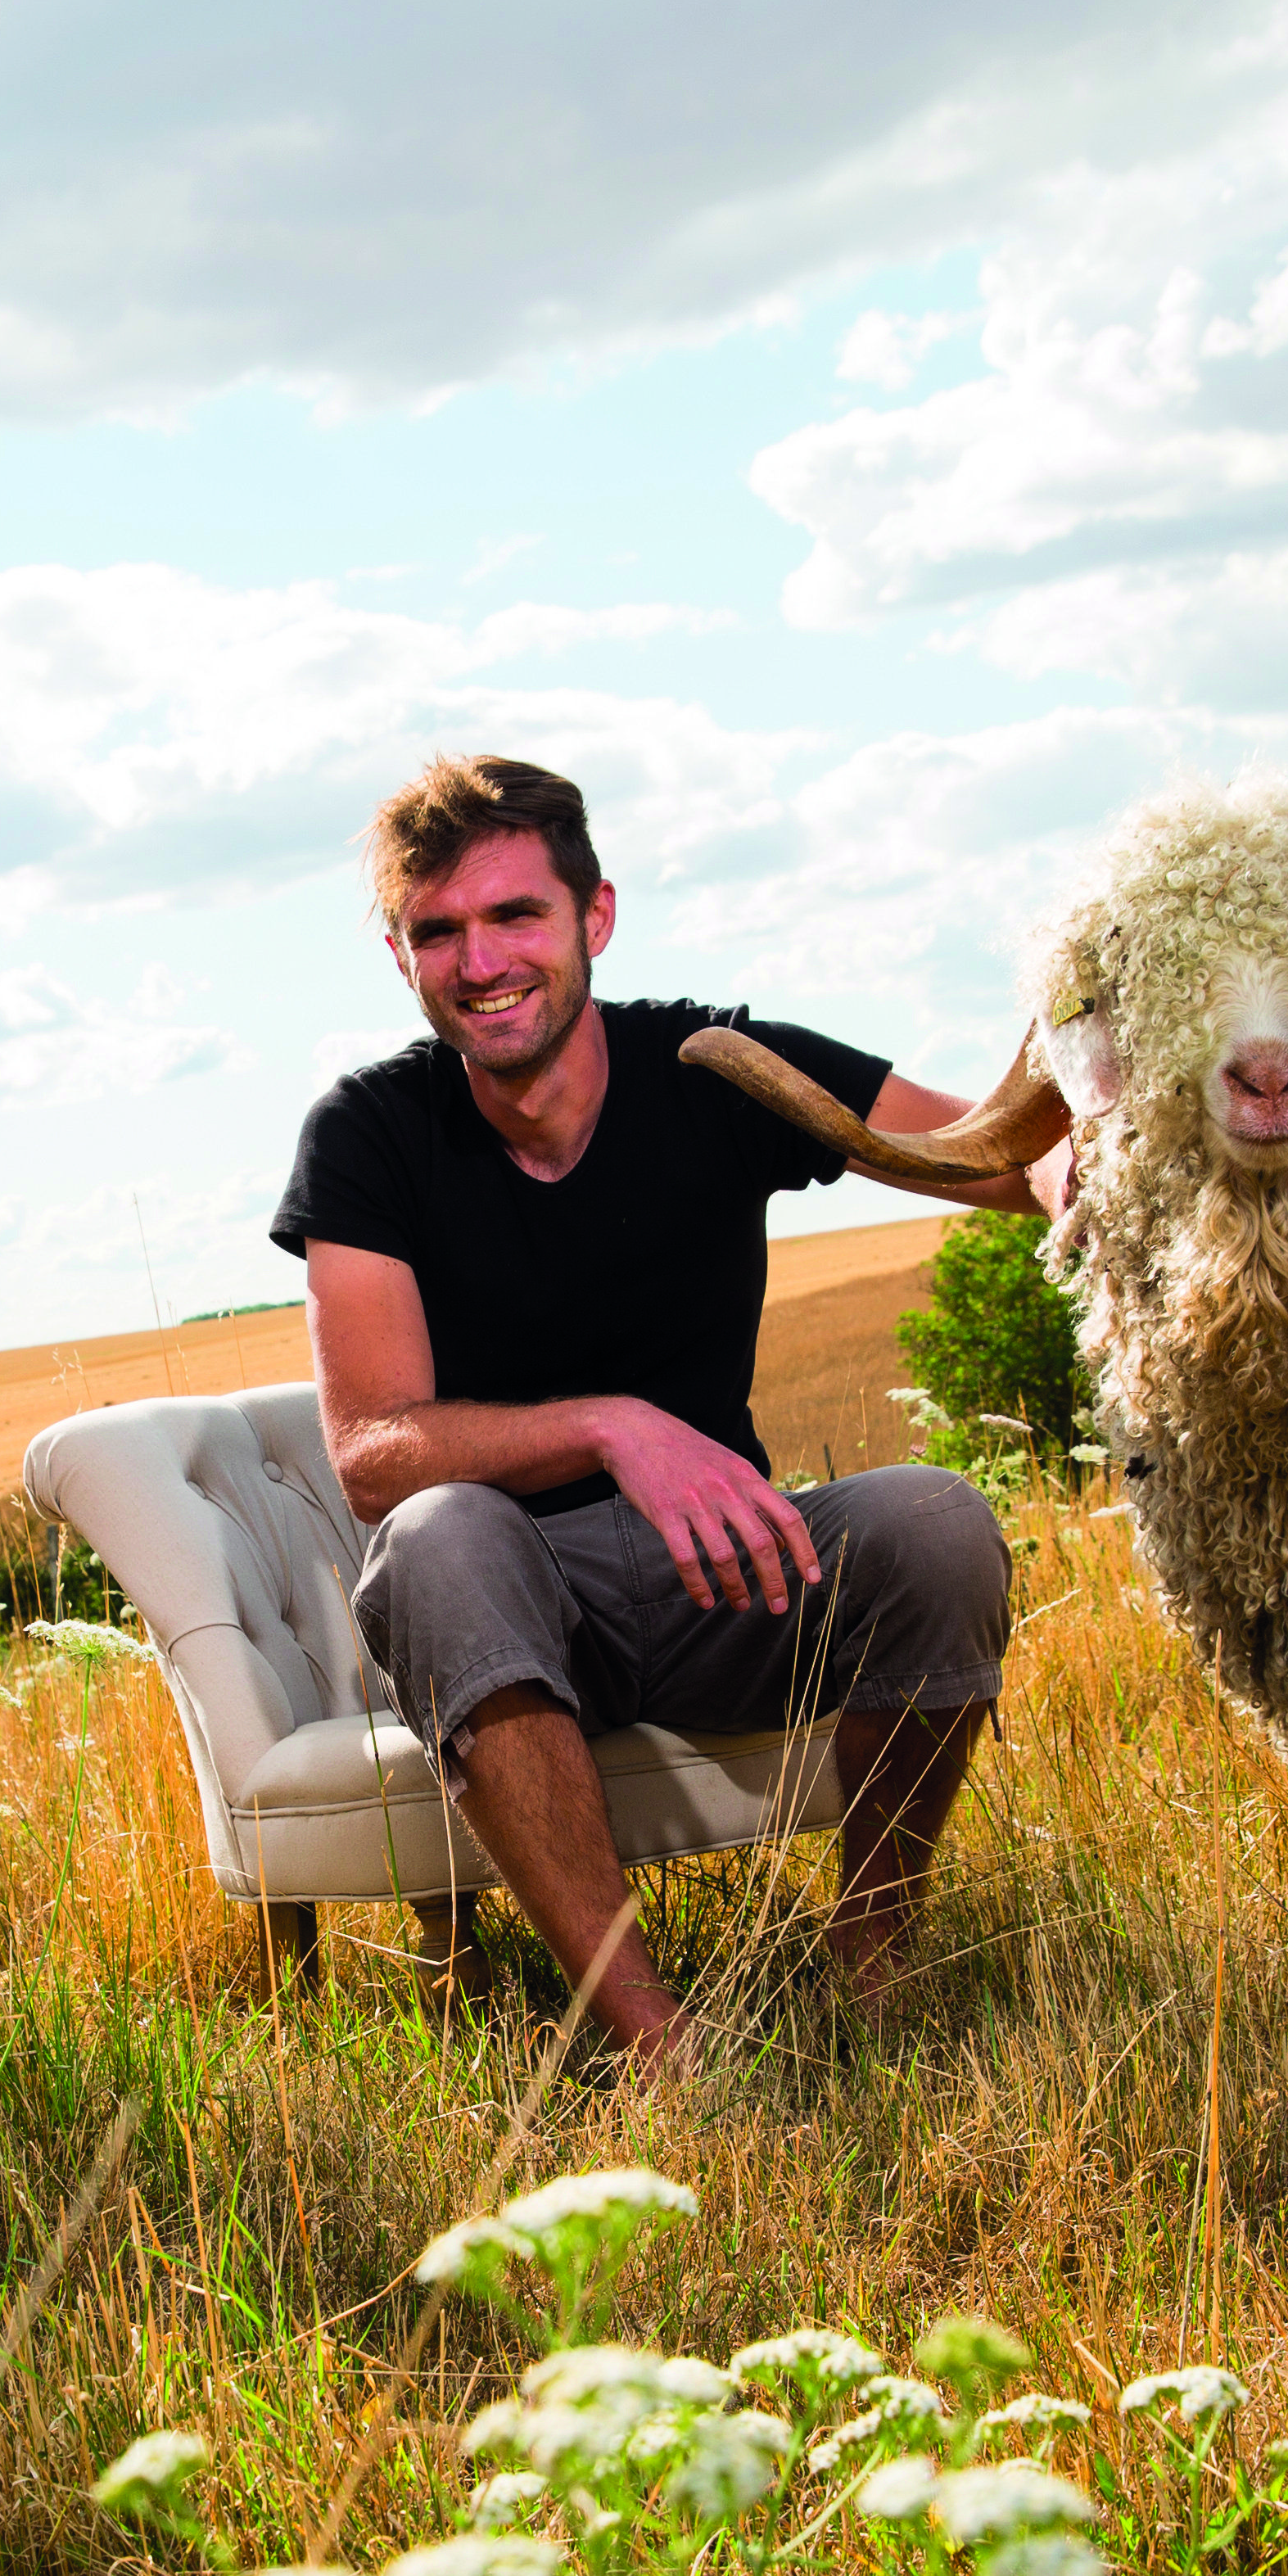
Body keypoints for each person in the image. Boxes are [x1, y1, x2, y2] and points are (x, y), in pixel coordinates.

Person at [271, 754, 1058, 2072]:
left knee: (936, 1520)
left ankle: (870, 1958)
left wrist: (1160, 1156)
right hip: (517, 1610)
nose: (481, 961)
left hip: (728, 1573)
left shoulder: (714, 1066)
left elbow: (997, 1155)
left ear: (596, 916)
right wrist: (611, 1425)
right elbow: (370, 1456)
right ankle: (648, 2038)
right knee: (437, 1533)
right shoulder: (368, 1133)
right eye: (439, 932)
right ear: (401, 956)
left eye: (516, 915)